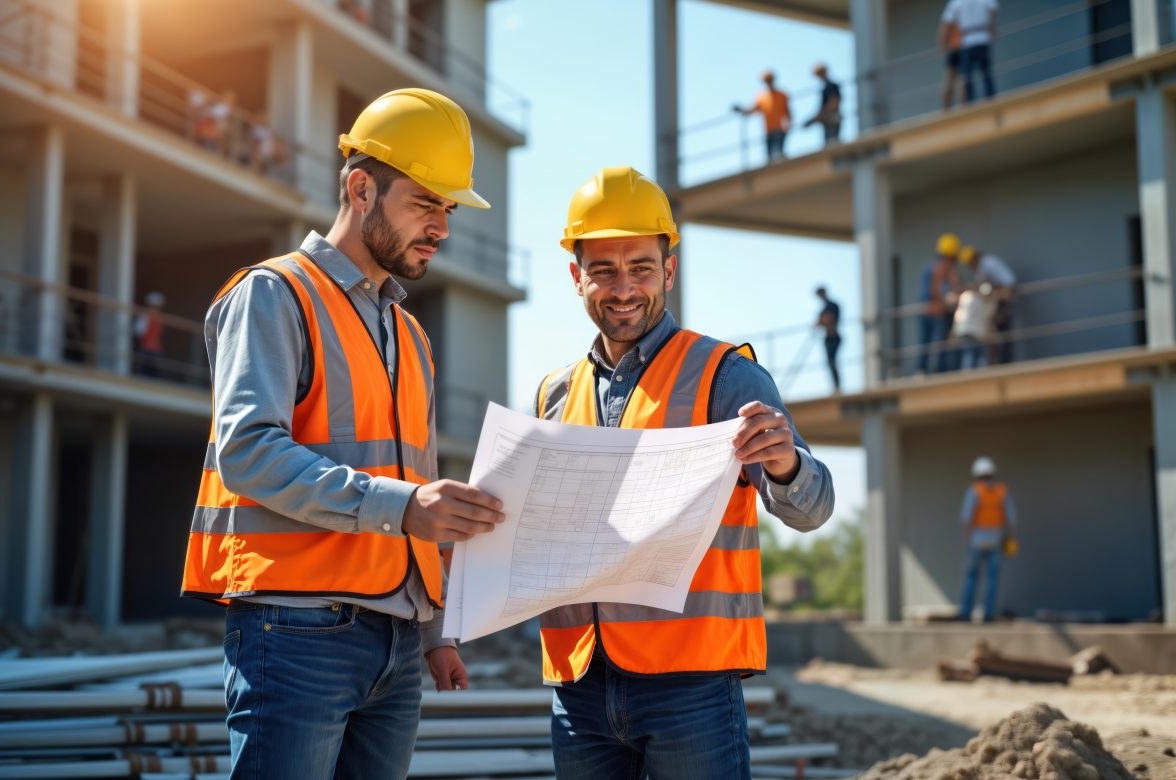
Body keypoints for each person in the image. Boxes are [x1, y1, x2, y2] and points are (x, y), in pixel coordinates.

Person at [180, 88, 506, 780]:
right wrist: (404, 507)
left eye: (447, 209)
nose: (441, 228)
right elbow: (247, 453)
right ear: (361, 189)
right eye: (425, 203)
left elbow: (414, 491)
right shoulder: (275, 294)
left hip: (394, 645)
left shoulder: (410, 335)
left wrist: (431, 629)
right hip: (295, 634)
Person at [537, 166, 835, 778]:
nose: (624, 288)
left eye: (641, 268)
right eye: (604, 270)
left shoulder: (725, 374)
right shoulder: (553, 394)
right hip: (580, 686)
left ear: (669, 271)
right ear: (577, 277)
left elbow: (814, 507)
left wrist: (784, 464)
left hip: (690, 686)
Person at [958, 456, 1016, 622]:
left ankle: (966, 614)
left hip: (976, 539)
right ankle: (988, 614)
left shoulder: (974, 490)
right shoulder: (1001, 491)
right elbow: (1012, 519)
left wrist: (967, 539)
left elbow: (966, 518)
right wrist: (1011, 539)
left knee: (971, 577)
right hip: (996, 539)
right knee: (993, 579)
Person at [960, 244, 1016, 364]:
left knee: (1004, 337)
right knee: (993, 338)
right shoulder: (980, 269)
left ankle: (1005, 365)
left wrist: (1001, 296)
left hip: (1002, 304)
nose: (970, 266)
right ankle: (999, 364)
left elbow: (1009, 282)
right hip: (991, 307)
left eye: (970, 262)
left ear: (974, 257)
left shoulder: (989, 263)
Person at [917, 233, 961, 374]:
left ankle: (923, 370)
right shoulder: (939, 268)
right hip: (934, 311)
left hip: (931, 311)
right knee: (937, 342)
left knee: (930, 343)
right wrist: (948, 300)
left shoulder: (935, 266)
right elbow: (935, 291)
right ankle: (934, 370)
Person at [942, 0, 998, 104]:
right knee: (986, 73)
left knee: (967, 75)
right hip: (983, 37)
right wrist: (992, 30)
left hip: (967, 40)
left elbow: (947, 22)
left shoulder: (957, 2)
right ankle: (991, 99)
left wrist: (943, 43)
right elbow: (993, 11)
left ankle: (969, 103)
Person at [733, 69, 792, 161]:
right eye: (766, 81)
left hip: (780, 129)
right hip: (769, 131)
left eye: (770, 80)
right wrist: (742, 110)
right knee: (769, 157)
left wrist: (788, 124)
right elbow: (752, 110)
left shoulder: (782, 95)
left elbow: (788, 112)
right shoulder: (762, 97)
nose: (768, 83)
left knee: (780, 153)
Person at [804, 63, 842, 145]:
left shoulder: (832, 86)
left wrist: (821, 115)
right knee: (829, 143)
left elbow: (834, 102)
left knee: (832, 143)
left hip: (832, 118)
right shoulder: (825, 88)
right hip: (827, 119)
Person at [815, 285, 841, 392]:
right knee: (830, 363)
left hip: (833, 337)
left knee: (832, 362)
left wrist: (822, 320)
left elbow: (827, 319)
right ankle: (836, 386)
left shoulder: (831, 305)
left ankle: (837, 387)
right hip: (829, 338)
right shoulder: (826, 307)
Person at [133, 291, 165, 378]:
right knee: (153, 375)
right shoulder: (160, 317)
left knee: (145, 374)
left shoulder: (145, 316)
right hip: (156, 350)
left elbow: (139, 332)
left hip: (146, 348)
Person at [938, 14, 963, 108]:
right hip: (959, 48)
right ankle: (963, 106)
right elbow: (944, 28)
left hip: (953, 48)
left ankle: (946, 108)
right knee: (962, 78)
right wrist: (943, 47)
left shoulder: (954, 8)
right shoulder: (956, 7)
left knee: (950, 79)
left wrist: (943, 47)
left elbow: (943, 29)